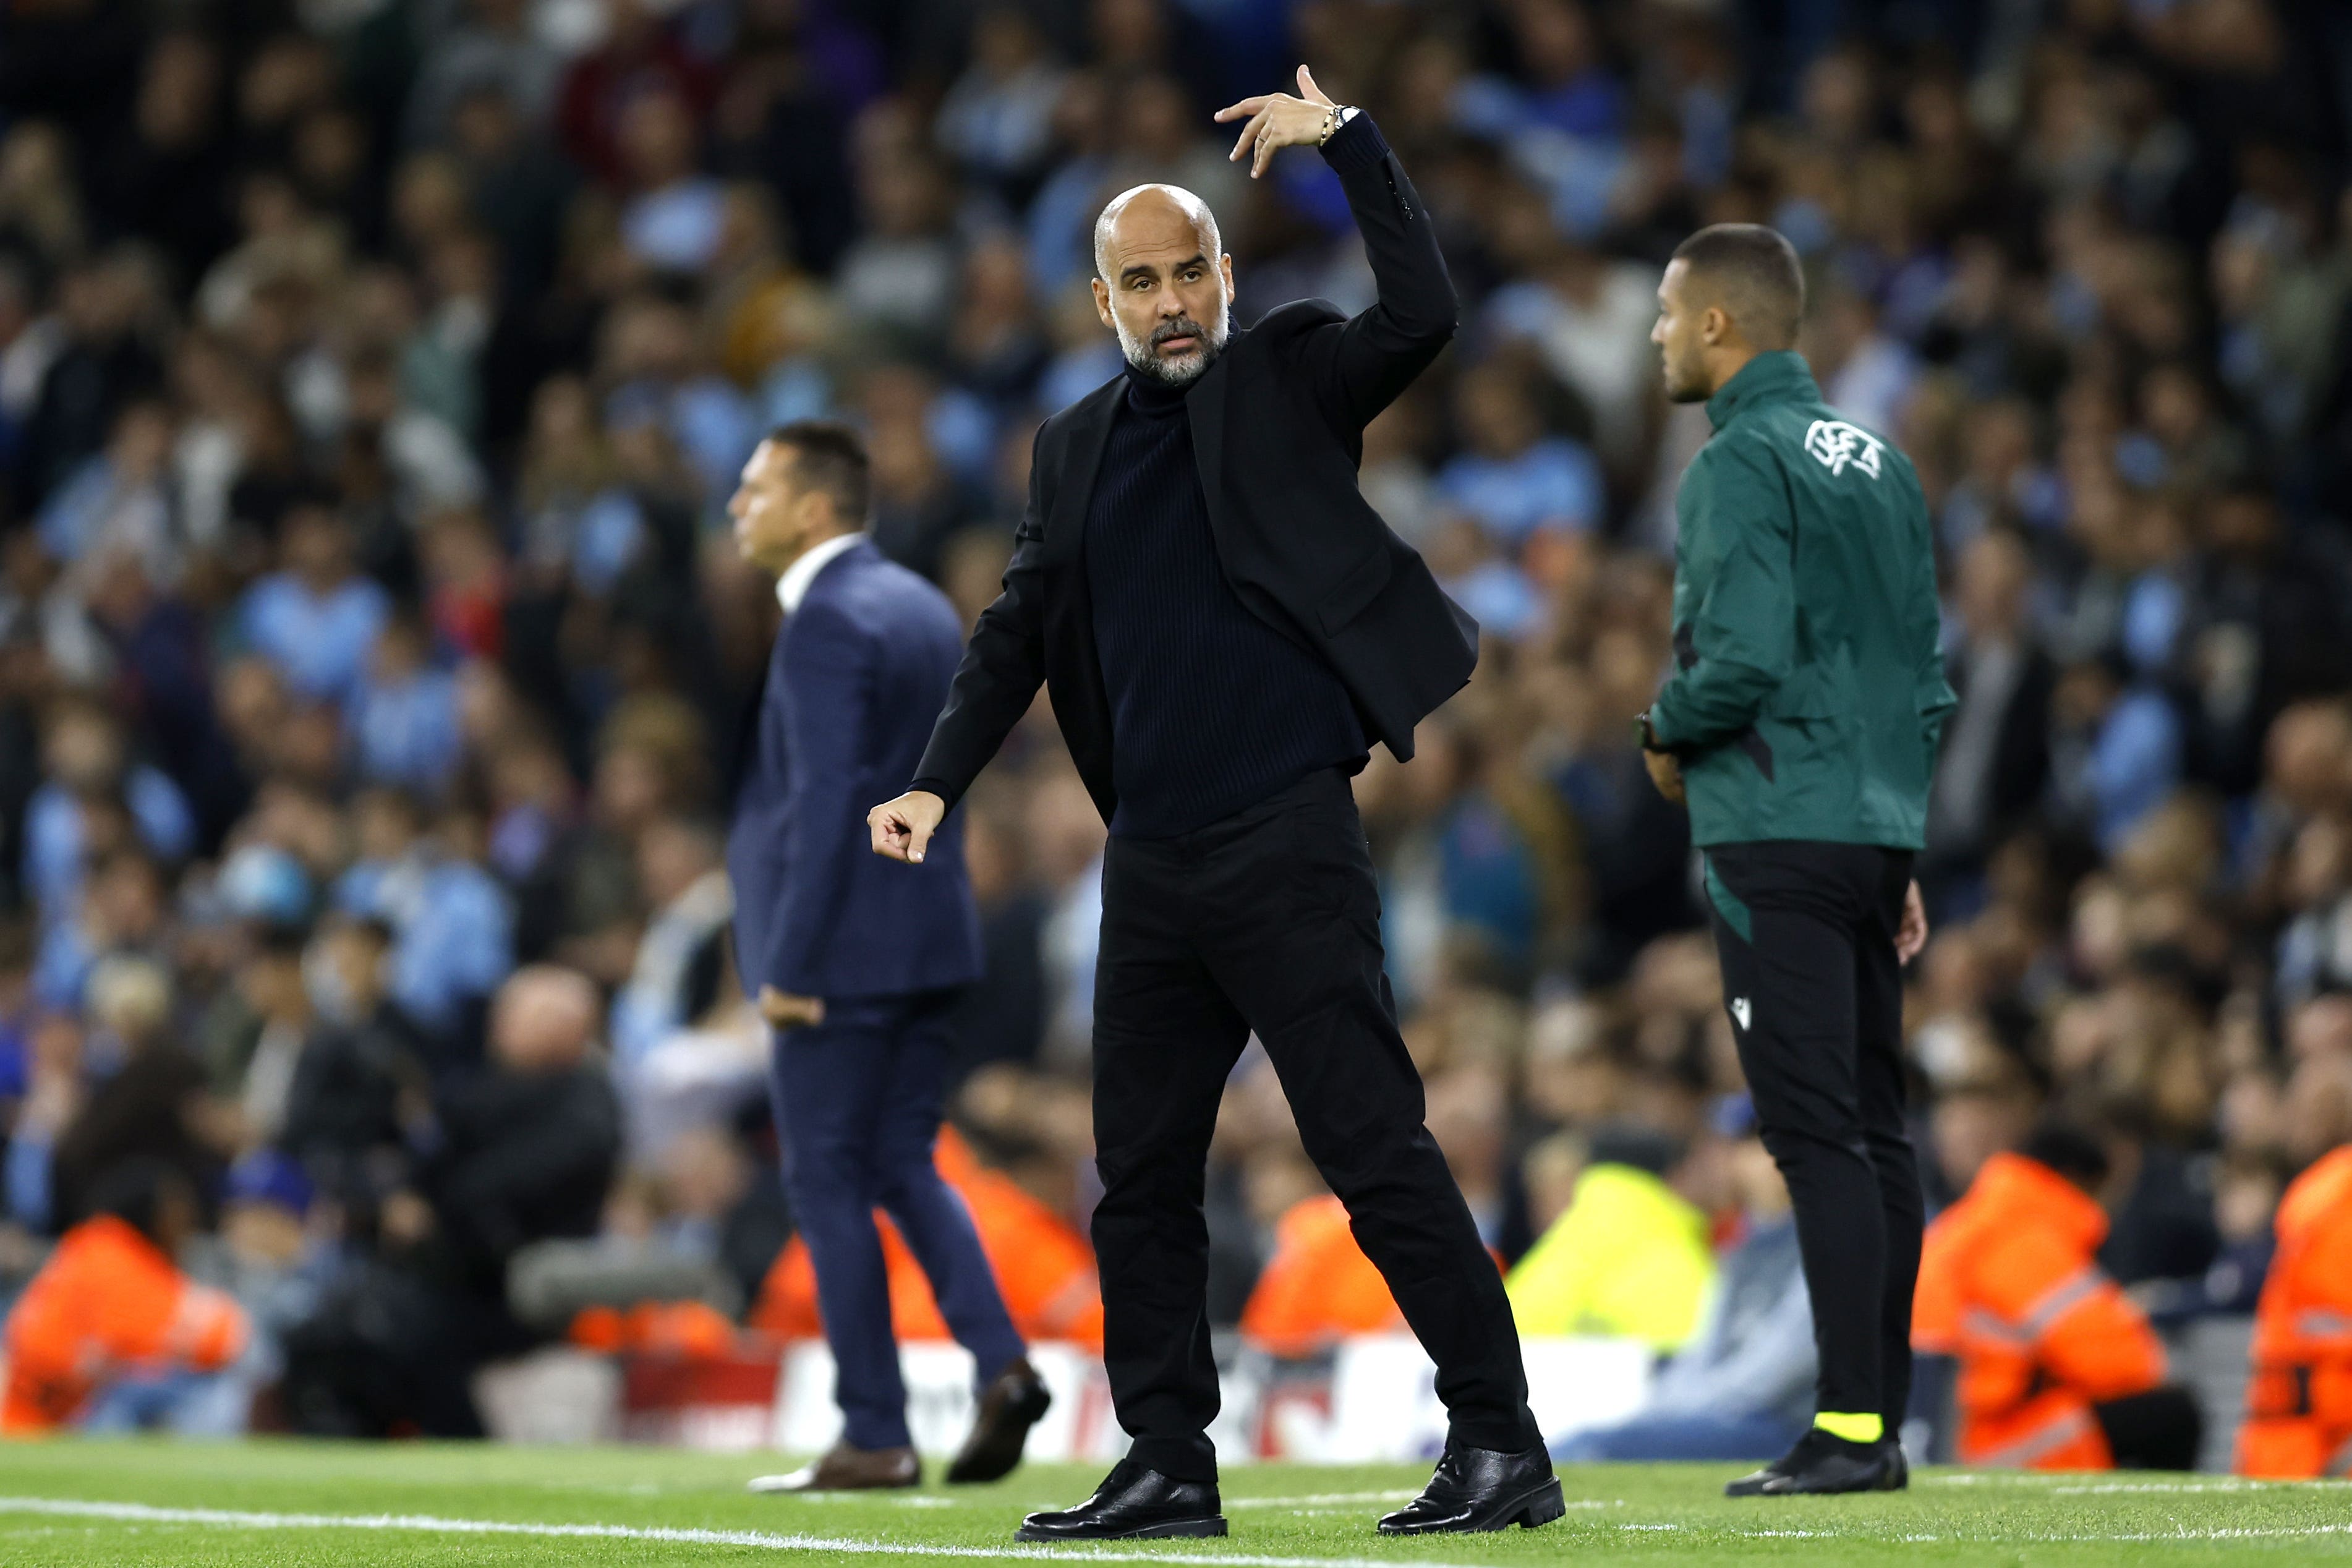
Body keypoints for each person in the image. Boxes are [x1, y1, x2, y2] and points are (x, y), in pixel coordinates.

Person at [867, 66, 1557, 1542]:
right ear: (1100, 300)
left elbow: (1423, 313)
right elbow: (1014, 633)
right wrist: (933, 784)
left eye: (1192, 272)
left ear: (1228, 279)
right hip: (1155, 864)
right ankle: (1169, 1459)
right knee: (1140, 1182)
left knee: (1373, 1150)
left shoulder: (1291, 377)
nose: (1172, 300)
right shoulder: (1067, 448)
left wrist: (1353, 146)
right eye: (1142, 281)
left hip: (1286, 836)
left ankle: (1501, 1440)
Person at [1636, 223, 1954, 1496]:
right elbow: (1924, 679)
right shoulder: (1881, 460)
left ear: (1721, 324)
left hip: (1776, 826)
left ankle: (1851, 1427)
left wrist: (1665, 727)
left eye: (1667, 313)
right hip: (1873, 827)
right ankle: (1878, 1421)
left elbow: (1748, 659)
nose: (1656, 334)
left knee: (1815, 1131)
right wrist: (1898, 833)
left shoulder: (1735, 461)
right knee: (1877, 1132)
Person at [725, 420, 1048, 1492]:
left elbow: (826, 804)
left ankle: (873, 1430)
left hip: (843, 956)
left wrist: (790, 962)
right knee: (904, 1165)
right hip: (928, 934)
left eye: (757, 488)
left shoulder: (823, 620)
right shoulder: (911, 601)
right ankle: (1001, 1365)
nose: (738, 506)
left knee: (826, 1180)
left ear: (814, 509)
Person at [1912, 1122, 2201, 1471]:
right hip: (1992, 1442)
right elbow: (2123, 1365)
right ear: (2076, 1179)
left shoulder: (1967, 1224)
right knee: (2174, 1413)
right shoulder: (2030, 1239)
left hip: (1935, 1432)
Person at [1552, 1110, 1818, 1463]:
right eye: (1746, 1146)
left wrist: (1680, 1413)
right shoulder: (1741, 1249)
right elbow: (1701, 1352)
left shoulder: (1822, 1248)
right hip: (1725, 1417)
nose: (1755, 1160)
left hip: (1787, 1426)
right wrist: (1659, 1412)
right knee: (1593, 1442)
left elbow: (1776, 1371)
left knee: (1597, 1447)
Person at [2, 1158, 249, 1432]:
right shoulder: (111, 1253)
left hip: (55, 1407)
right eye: (177, 1206)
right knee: (213, 1391)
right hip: (43, 1418)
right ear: (153, 1210)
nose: (186, 1218)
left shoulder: (99, 1245)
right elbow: (220, 1338)